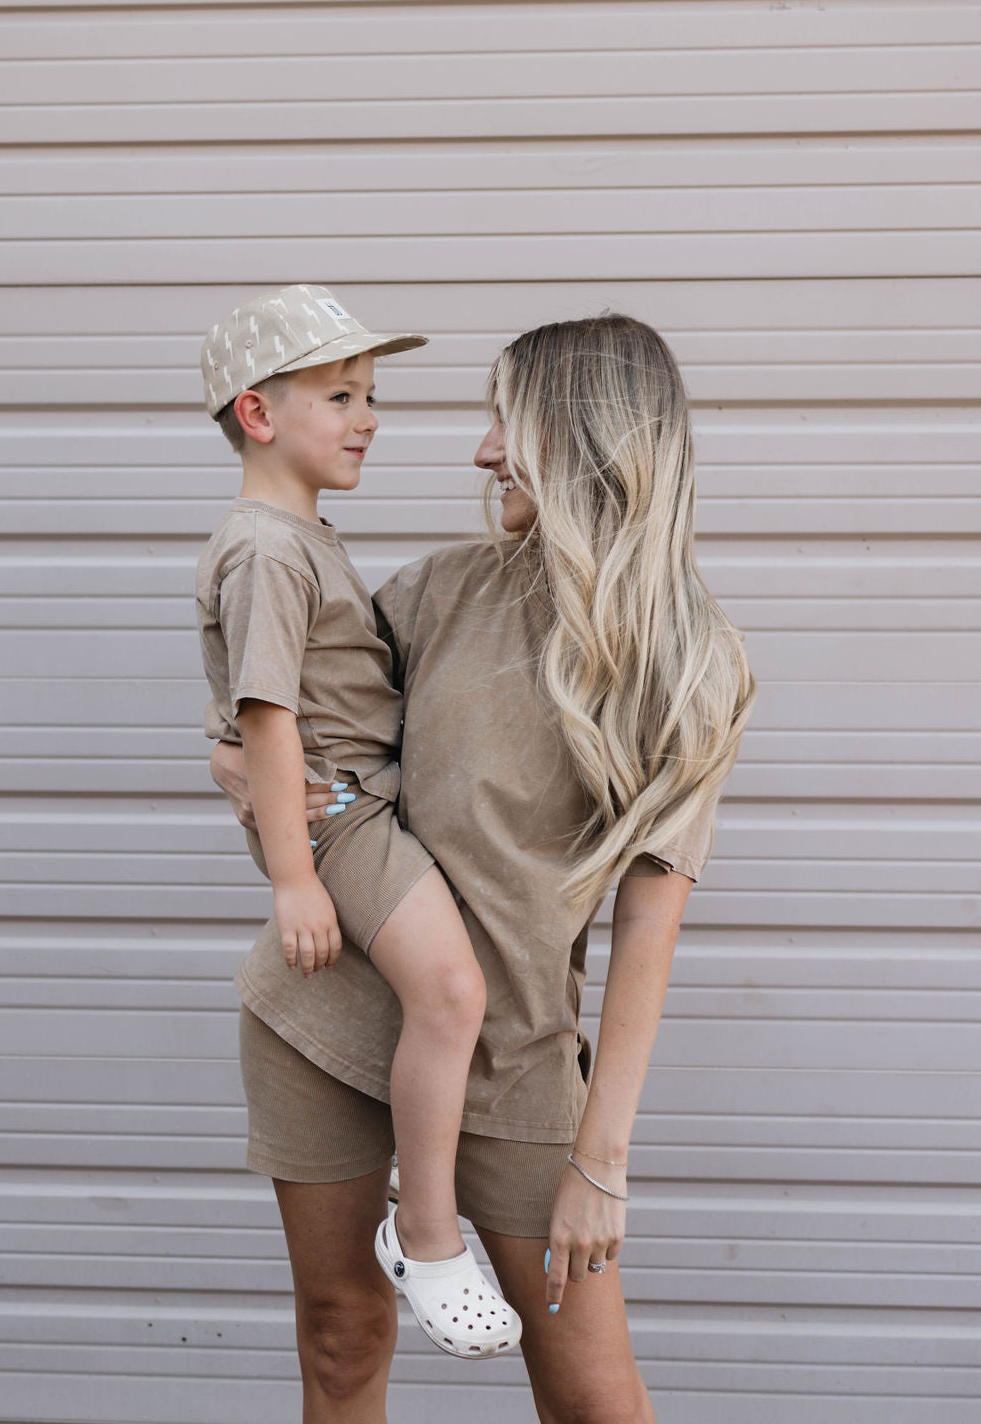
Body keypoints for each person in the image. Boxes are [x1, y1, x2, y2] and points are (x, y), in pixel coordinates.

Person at [213, 312, 755, 1422]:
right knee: (341, 1338)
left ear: (580, 437)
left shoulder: (690, 666)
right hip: (329, 1020)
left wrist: (598, 1160)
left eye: (504, 421)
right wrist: (234, 769)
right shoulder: (435, 594)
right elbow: (301, 730)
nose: (480, 451)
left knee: (593, 1396)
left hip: (515, 1064)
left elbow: (649, 931)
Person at [195, 284, 522, 1359]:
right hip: (344, 817)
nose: (367, 416)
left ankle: (423, 1220)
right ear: (257, 412)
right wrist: (295, 872)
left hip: (354, 805)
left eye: (368, 392)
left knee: (447, 985)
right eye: (340, 394)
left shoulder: (296, 538)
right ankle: (425, 1234)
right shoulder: (267, 550)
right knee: (454, 985)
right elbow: (267, 714)